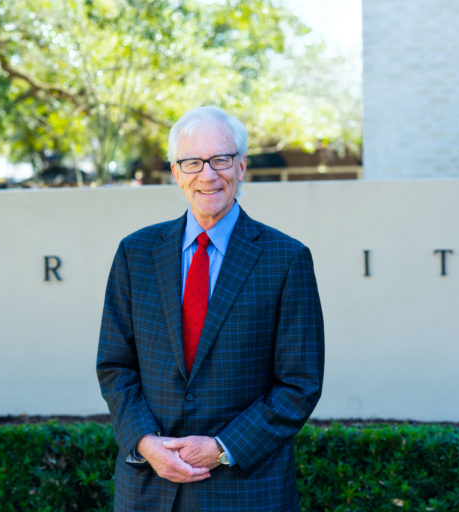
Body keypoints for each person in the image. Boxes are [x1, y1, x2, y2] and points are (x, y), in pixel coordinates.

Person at [97, 106, 324, 512]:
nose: (208, 174)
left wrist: (222, 447)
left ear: (241, 167)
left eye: (221, 159)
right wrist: (146, 443)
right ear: (175, 172)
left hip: (245, 492)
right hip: (148, 489)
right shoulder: (135, 253)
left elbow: (299, 384)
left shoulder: (286, 259)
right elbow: (115, 367)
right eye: (193, 162)